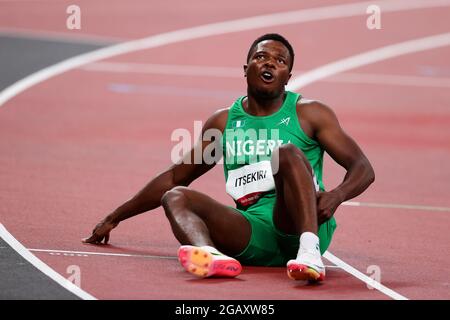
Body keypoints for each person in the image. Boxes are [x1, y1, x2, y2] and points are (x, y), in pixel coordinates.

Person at [83, 33, 375, 282]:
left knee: (285, 153)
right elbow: (175, 176)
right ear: (246, 68)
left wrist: (337, 195)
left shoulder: (310, 113)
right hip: (254, 232)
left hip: (300, 223)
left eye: (280, 61)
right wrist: (115, 217)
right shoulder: (223, 123)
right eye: (262, 57)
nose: (270, 62)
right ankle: (208, 255)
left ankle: (309, 254)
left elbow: (362, 168)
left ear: (288, 76)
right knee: (175, 196)